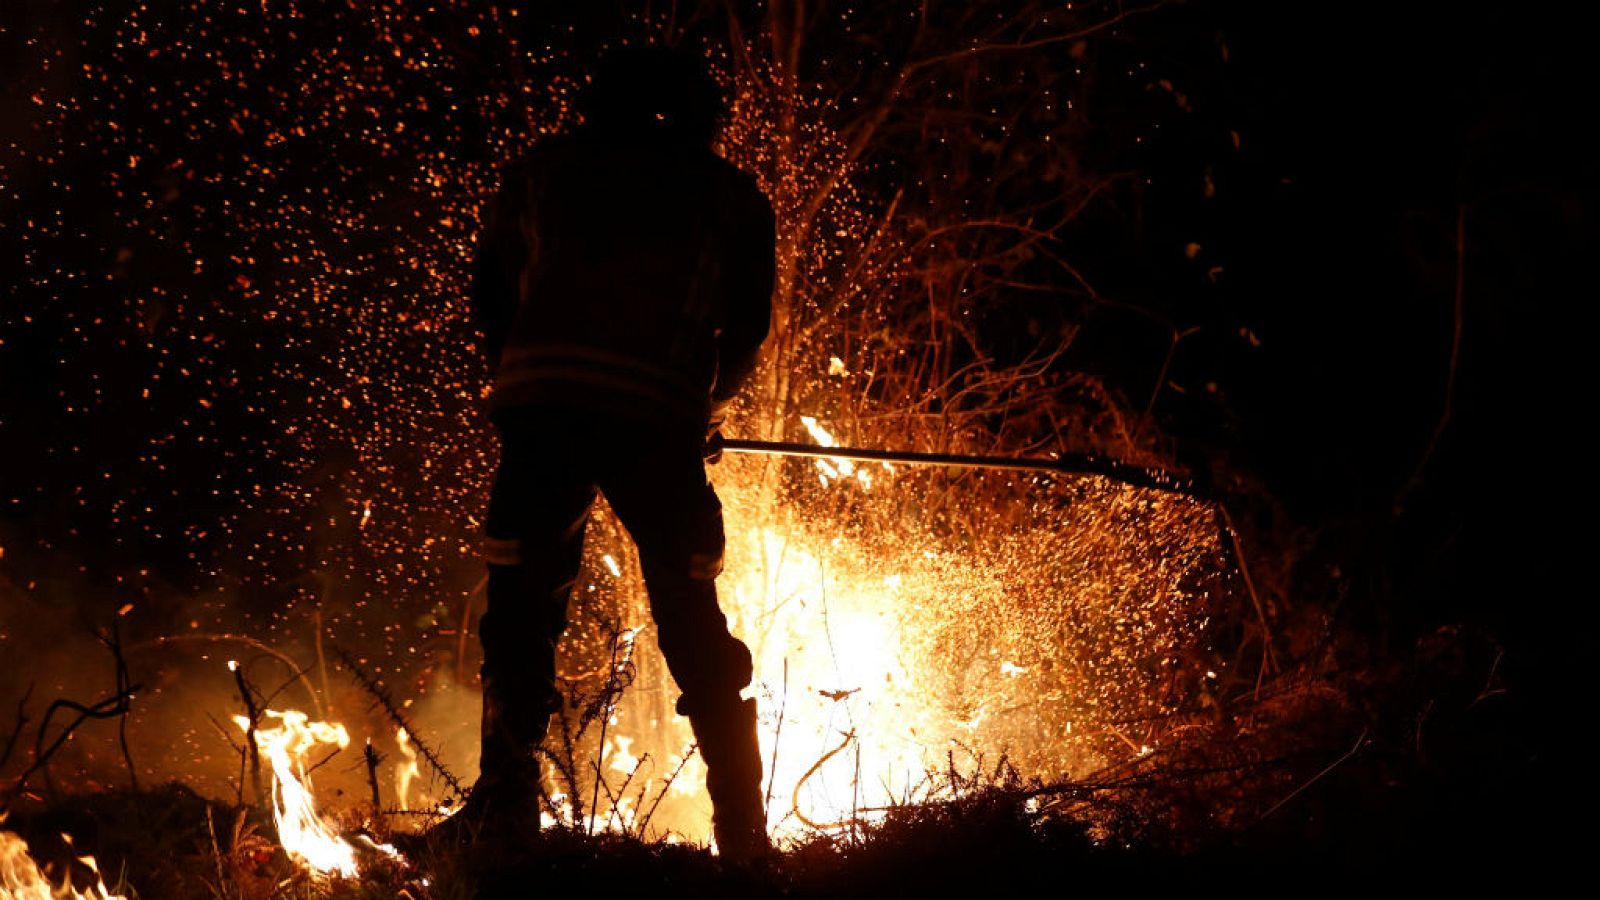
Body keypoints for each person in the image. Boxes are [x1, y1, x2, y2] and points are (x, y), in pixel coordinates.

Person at [463, 44, 775, 862]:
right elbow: (745, 330)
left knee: (521, 612)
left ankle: (503, 819)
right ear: (702, 120)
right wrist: (700, 406)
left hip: (542, 414)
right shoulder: (730, 197)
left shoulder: (542, 170)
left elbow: (490, 291)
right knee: (689, 610)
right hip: (655, 420)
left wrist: (523, 376)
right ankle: (744, 837)